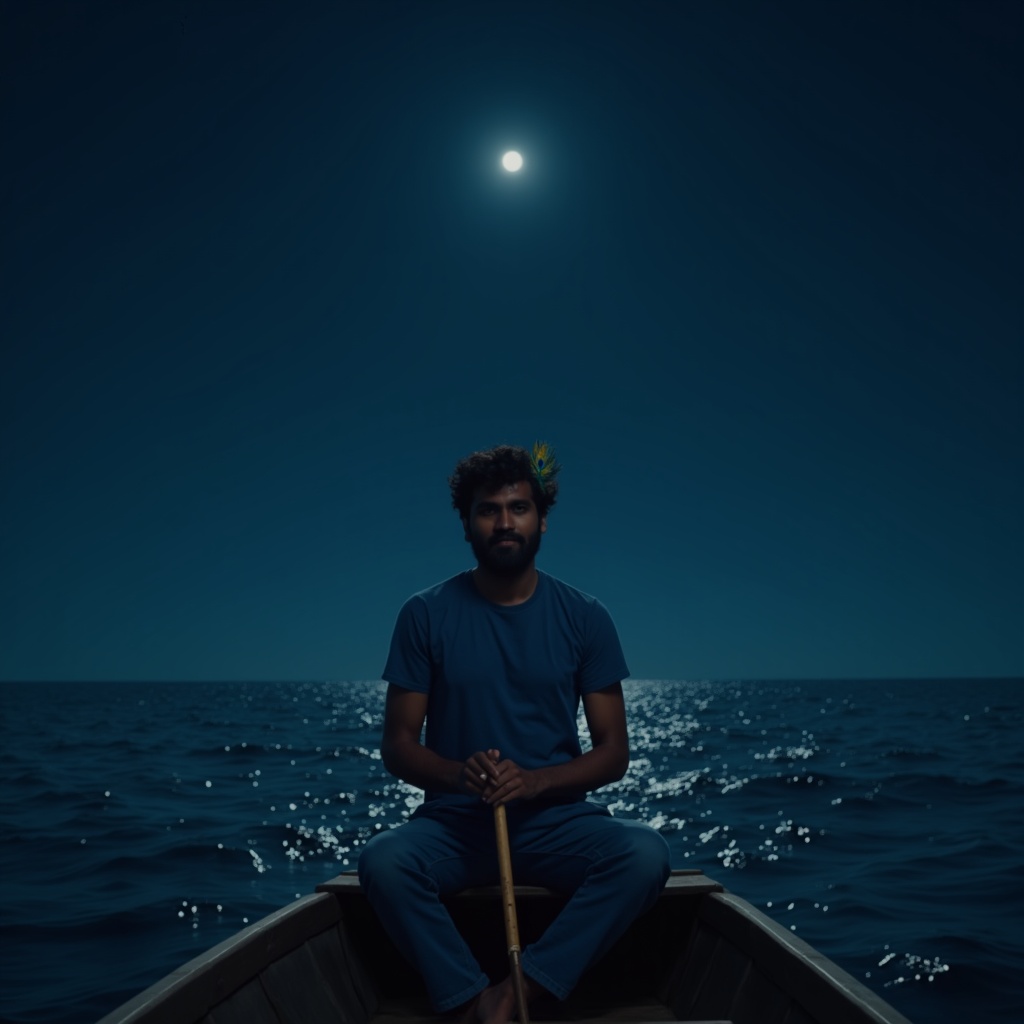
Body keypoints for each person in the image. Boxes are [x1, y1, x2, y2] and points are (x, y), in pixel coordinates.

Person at [358, 443, 670, 1023]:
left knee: (645, 854)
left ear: (541, 519)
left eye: (519, 508)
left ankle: (516, 994)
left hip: (557, 823)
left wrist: (533, 782)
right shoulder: (424, 615)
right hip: (455, 826)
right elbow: (398, 744)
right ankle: (472, 998)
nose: (505, 522)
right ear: (467, 523)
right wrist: (458, 773)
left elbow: (614, 753)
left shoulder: (586, 617)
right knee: (383, 861)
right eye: (488, 510)